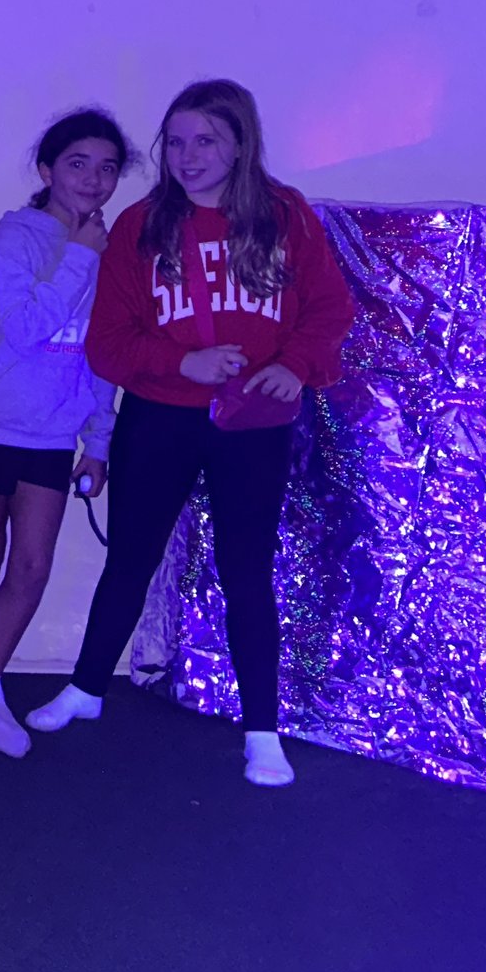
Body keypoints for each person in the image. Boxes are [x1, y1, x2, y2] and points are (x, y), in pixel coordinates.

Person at [26, 78, 355, 787]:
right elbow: (107, 343)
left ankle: (261, 729)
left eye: (205, 139)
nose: (187, 155)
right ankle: (85, 688)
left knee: (246, 572)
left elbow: (330, 309)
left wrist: (294, 366)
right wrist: (184, 361)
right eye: (174, 141)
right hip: (159, 413)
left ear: (241, 141)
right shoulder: (143, 224)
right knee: (131, 559)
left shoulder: (286, 215)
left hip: (252, 422)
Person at [0, 109, 132, 760]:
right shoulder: (16, 235)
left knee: (31, 565)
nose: (94, 178)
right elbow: (25, 326)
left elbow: (101, 354)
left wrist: (100, 440)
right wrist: (82, 255)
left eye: (108, 166)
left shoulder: (109, 252)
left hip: (54, 434)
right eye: (78, 163)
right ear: (48, 169)